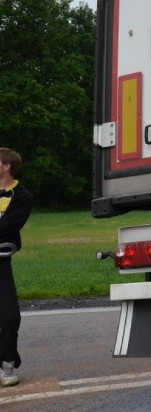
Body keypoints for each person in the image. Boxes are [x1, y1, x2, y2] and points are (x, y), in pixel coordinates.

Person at [0, 148, 33, 388]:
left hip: (1, 263)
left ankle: (8, 364)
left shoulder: (21, 196)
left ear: (6, 166)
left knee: (10, 317)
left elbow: (8, 228)